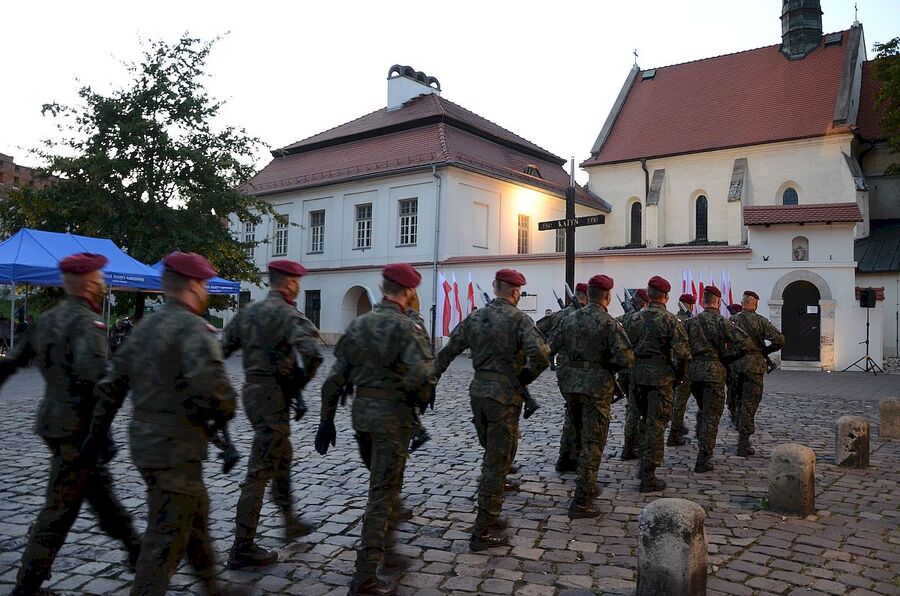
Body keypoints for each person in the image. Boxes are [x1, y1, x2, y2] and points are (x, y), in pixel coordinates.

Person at [84, 252, 241, 596]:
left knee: (195, 515)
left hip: (146, 443)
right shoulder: (193, 329)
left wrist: (96, 435)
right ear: (192, 286)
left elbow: (110, 387)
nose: (207, 292)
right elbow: (215, 390)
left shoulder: (143, 329)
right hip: (176, 448)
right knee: (165, 537)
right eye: (204, 285)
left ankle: (213, 587)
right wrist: (227, 409)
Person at [0, 253, 141, 596]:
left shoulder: (47, 319)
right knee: (59, 510)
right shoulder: (88, 325)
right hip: (78, 433)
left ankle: (136, 549)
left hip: (53, 424)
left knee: (100, 495)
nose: (105, 285)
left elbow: (13, 362)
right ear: (91, 284)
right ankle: (26, 586)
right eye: (101, 279)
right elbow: (96, 383)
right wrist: (103, 432)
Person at [317, 263, 435, 596]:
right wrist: (413, 402)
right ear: (409, 291)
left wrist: (326, 421)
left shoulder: (358, 325)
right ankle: (365, 575)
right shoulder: (406, 327)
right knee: (382, 494)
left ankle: (391, 552)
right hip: (391, 420)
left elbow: (333, 381)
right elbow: (424, 375)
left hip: (361, 418)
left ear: (382, 287)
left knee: (385, 486)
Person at [433, 269, 549, 550]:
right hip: (504, 397)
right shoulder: (519, 319)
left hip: (479, 392)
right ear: (515, 291)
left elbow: (448, 352)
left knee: (492, 455)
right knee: (497, 462)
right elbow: (542, 356)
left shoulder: (475, 316)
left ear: (495, 287)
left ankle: (490, 515)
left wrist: (430, 384)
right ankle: (483, 530)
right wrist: (524, 377)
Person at [221, 259, 323, 569]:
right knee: (261, 468)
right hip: (275, 396)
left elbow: (222, 349)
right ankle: (242, 545)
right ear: (290, 283)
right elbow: (315, 355)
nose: (298, 285)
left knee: (282, 455)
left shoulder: (248, 312)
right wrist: (297, 385)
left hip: (253, 392)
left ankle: (289, 518)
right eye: (297, 281)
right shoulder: (289, 314)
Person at [549, 275, 634, 518]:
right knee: (593, 441)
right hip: (596, 388)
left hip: (570, 385)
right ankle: (582, 500)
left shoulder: (568, 319)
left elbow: (549, 347)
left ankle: (575, 470)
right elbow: (626, 359)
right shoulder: (609, 323)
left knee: (575, 429)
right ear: (607, 296)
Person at [623, 277, 690, 492]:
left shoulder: (633, 319)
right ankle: (648, 474)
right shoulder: (670, 321)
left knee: (643, 422)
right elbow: (682, 355)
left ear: (648, 295)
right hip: (661, 379)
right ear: (666, 296)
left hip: (637, 377)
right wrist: (678, 377)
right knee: (656, 425)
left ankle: (642, 462)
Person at [682, 286, 747, 472]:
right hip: (714, 372)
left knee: (704, 409)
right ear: (718, 301)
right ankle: (703, 457)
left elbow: (679, 346)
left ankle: (701, 434)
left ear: (703, 301)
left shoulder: (690, 322)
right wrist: (727, 357)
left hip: (694, 372)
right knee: (712, 415)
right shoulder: (722, 322)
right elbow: (744, 343)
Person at [539, 283, 588, 472]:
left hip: (565, 373)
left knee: (572, 412)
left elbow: (539, 329)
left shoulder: (560, 316)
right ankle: (579, 457)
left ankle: (565, 456)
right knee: (587, 417)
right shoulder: (594, 316)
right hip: (589, 375)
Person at [730, 290, 785, 456]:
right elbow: (780, 340)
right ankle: (743, 442)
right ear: (756, 304)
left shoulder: (732, 320)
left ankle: (738, 424)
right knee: (750, 403)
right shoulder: (761, 321)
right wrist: (766, 350)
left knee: (736, 400)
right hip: (754, 367)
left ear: (742, 303)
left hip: (735, 365)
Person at [617, 288, 649, 460]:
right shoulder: (644, 319)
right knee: (640, 410)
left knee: (631, 408)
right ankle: (637, 445)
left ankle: (628, 446)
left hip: (623, 370)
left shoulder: (622, 319)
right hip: (640, 370)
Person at [667, 293, 696, 446]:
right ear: (690, 305)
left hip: (673, 365)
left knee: (677, 400)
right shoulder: (691, 321)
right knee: (680, 402)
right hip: (688, 366)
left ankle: (678, 428)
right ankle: (675, 433)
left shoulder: (672, 319)